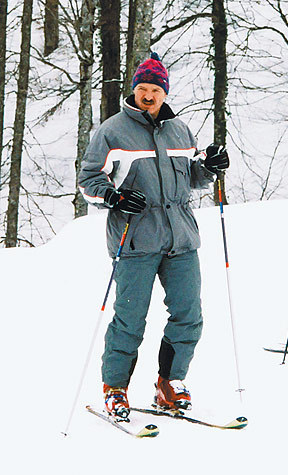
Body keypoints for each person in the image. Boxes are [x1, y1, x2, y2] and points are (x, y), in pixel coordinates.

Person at [79, 52, 229, 420]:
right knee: (130, 319)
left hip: (181, 238)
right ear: (134, 91)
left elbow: (190, 178)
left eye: (155, 89)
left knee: (189, 314)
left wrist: (208, 166)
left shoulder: (180, 130)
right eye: (142, 89)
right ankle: (115, 388)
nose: (148, 95)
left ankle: (170, 382)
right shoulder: (112, 131)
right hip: (135, 239)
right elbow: (88, 181)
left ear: (164, 92)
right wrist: (114, 196)